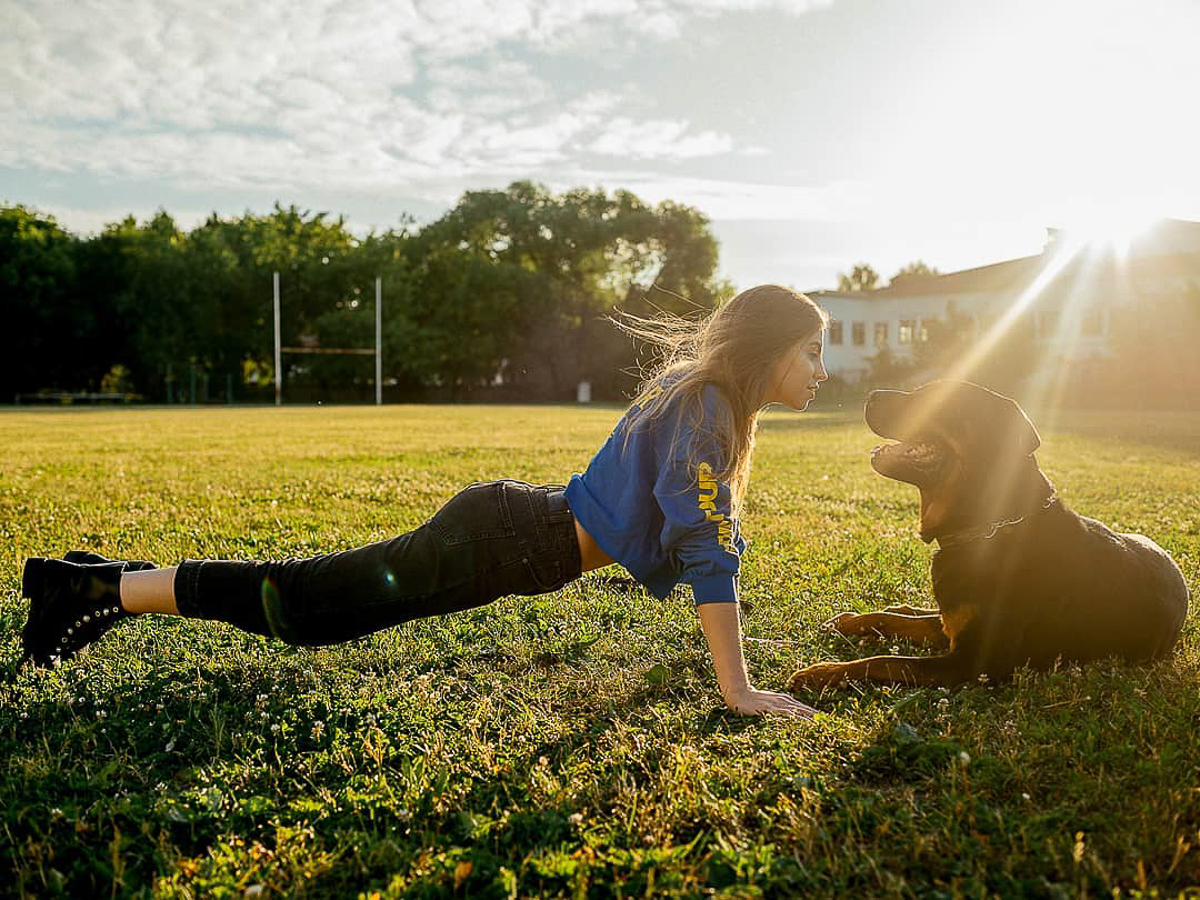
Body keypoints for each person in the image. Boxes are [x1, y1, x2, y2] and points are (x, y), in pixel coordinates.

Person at [20, 284, 828, 719]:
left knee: (307, 602)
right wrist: (738, 690)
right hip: (500, 542)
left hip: (507, 532)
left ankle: (101, 578)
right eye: (811, 351)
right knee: (300, 606)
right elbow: (703, 542)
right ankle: (93, 590)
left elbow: (687, 530)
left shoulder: (707, 399)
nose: (820, 369)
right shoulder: (711, 404)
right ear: (769, 349)